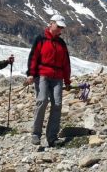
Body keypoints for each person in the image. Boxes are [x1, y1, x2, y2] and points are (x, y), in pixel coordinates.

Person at [26, 14, 71, 147]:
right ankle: (36, 134)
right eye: (58, 26)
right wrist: (31, 74)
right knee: (42, 100)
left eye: (61, 28)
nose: (60, 30)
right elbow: (33, 57)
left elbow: (66, 63)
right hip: (42, 75)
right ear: (51, 24)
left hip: (57, 77)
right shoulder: (41, 39)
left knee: (57, 104)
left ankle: (52, 137)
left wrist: (67, 81)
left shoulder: (61, 43)